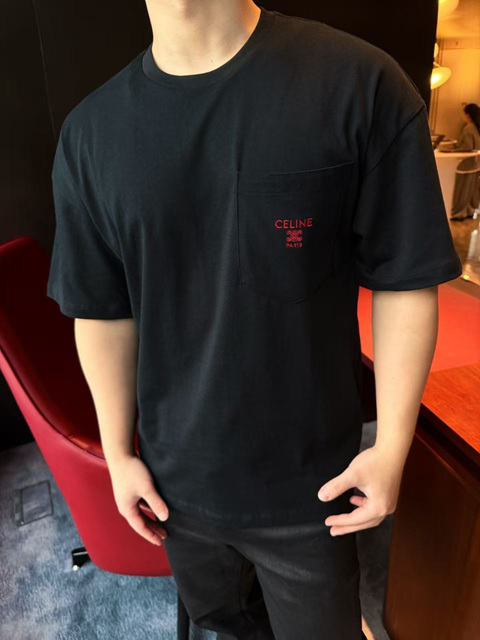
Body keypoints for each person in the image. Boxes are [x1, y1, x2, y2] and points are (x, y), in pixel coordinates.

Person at [46, 2, 463, 638]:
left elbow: (405, 278)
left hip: (312, 489)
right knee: (226, 625)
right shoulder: (90, 134)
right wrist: (119, 452)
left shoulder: (357, 83)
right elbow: (102, 311)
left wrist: (391, 448)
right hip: (176, 484)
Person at [448, 103, 480, 221]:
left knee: (461, 191)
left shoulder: (468, 128)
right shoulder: (476, 127)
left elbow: (467, 147)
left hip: (466, 164)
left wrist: (452, 149)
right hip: (475, 164)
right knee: (470, 191)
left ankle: (458, 213)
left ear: (468, 115)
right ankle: (470, 211)